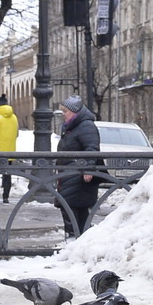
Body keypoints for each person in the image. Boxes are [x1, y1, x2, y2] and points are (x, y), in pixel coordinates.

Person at [55, 94, 102, 238]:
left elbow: (92, 148)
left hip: (78, 176)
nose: (63, 114)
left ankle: (74, 240)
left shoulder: (85, 125)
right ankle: (77, 240)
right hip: (70, 175)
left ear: (75, 112)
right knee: (73, 209)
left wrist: (88, 169)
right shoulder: (73, 126)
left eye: (65, 111)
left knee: (71, 208)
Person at [0, 95, 20, 201]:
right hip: (10, 151)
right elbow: (16, 134)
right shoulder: (14, 117)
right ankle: (6, 197)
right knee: (7, 174)